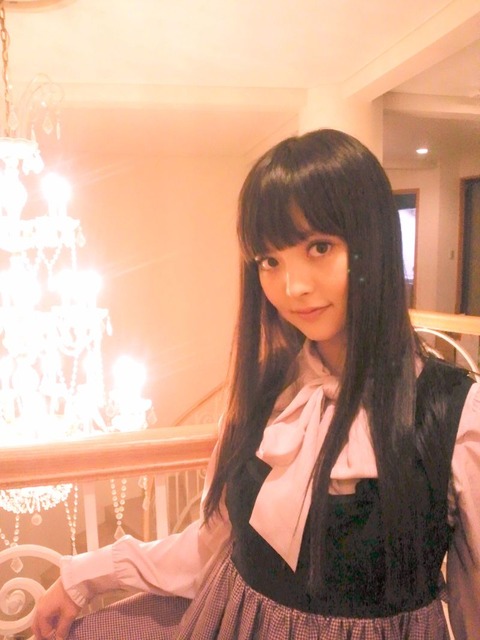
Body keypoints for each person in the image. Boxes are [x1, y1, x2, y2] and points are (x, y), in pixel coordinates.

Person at [32, 129, 480, 640]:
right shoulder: (266, 393)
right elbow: (212, 547)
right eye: (270, 260)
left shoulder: (454, 413)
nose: (293, 287)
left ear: (374, 245)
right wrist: (84, 577)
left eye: (319, 247)